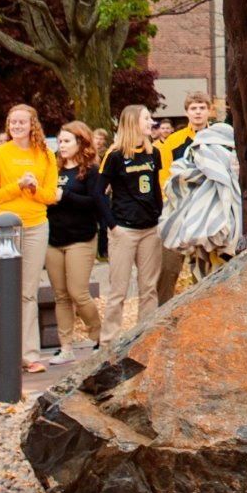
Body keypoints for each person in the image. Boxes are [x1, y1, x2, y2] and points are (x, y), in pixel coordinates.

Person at [0, 103, 60, 375]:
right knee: (6, 289)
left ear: (32, 125)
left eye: (22, 122)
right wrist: (15, 186)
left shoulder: (46, 155)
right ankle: (5, 350)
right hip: (6, 227)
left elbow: (51, 195)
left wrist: (33, 189)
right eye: (12, 122)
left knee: (28, 291)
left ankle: (29, 354)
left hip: (37, 225)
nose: (16, 126)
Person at [100, 105, 165, 341]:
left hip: (150, 229)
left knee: (149, 288)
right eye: (146, 118)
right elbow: (98, 192)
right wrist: (112, 225)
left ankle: (145, 336)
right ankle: (108, 341)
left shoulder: (153, 153)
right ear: (133, 122)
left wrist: (160, 215)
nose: (151, 122)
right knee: (118, 290)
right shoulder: (115, 155)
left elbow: (156, 188)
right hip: (124, 229)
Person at [45, 121, 107, 362]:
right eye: (60, 141)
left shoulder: (91, 170)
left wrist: (66, 196)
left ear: (80, 142)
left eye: (67, 141)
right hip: (54, 239)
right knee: (60, 295)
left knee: (78, 292)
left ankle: (99, 337)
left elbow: (95, 203)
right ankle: (66, 347)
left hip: (81, 238)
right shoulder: (53, 168)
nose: (62, 146)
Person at [154, 93, 213, 306]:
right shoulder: (173, 141)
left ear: (209, 110)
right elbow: (164, 177)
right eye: (193, 108)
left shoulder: (216, 138)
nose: (197, 112)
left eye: (201, 108)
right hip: (177, 211)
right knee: (168, 268)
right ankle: (161, 312)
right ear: (186, 112)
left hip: (206, 211)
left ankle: (204, 311)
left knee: (204, 268)